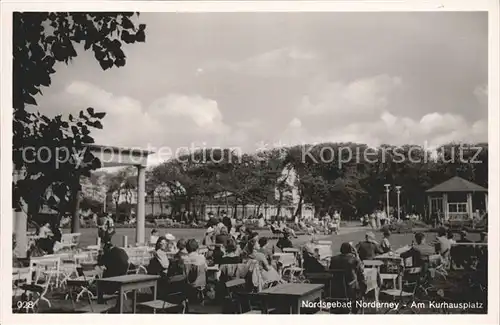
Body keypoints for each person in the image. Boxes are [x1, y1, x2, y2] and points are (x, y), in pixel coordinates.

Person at [329, 242, 367, 314]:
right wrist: (356, 254)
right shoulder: (354, 259)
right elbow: (361, 270)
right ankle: (356, 308)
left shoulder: (333, 259)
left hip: (335, 288)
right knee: (361, 282)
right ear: (350, 250)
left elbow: (331, 271)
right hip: (349, 288)